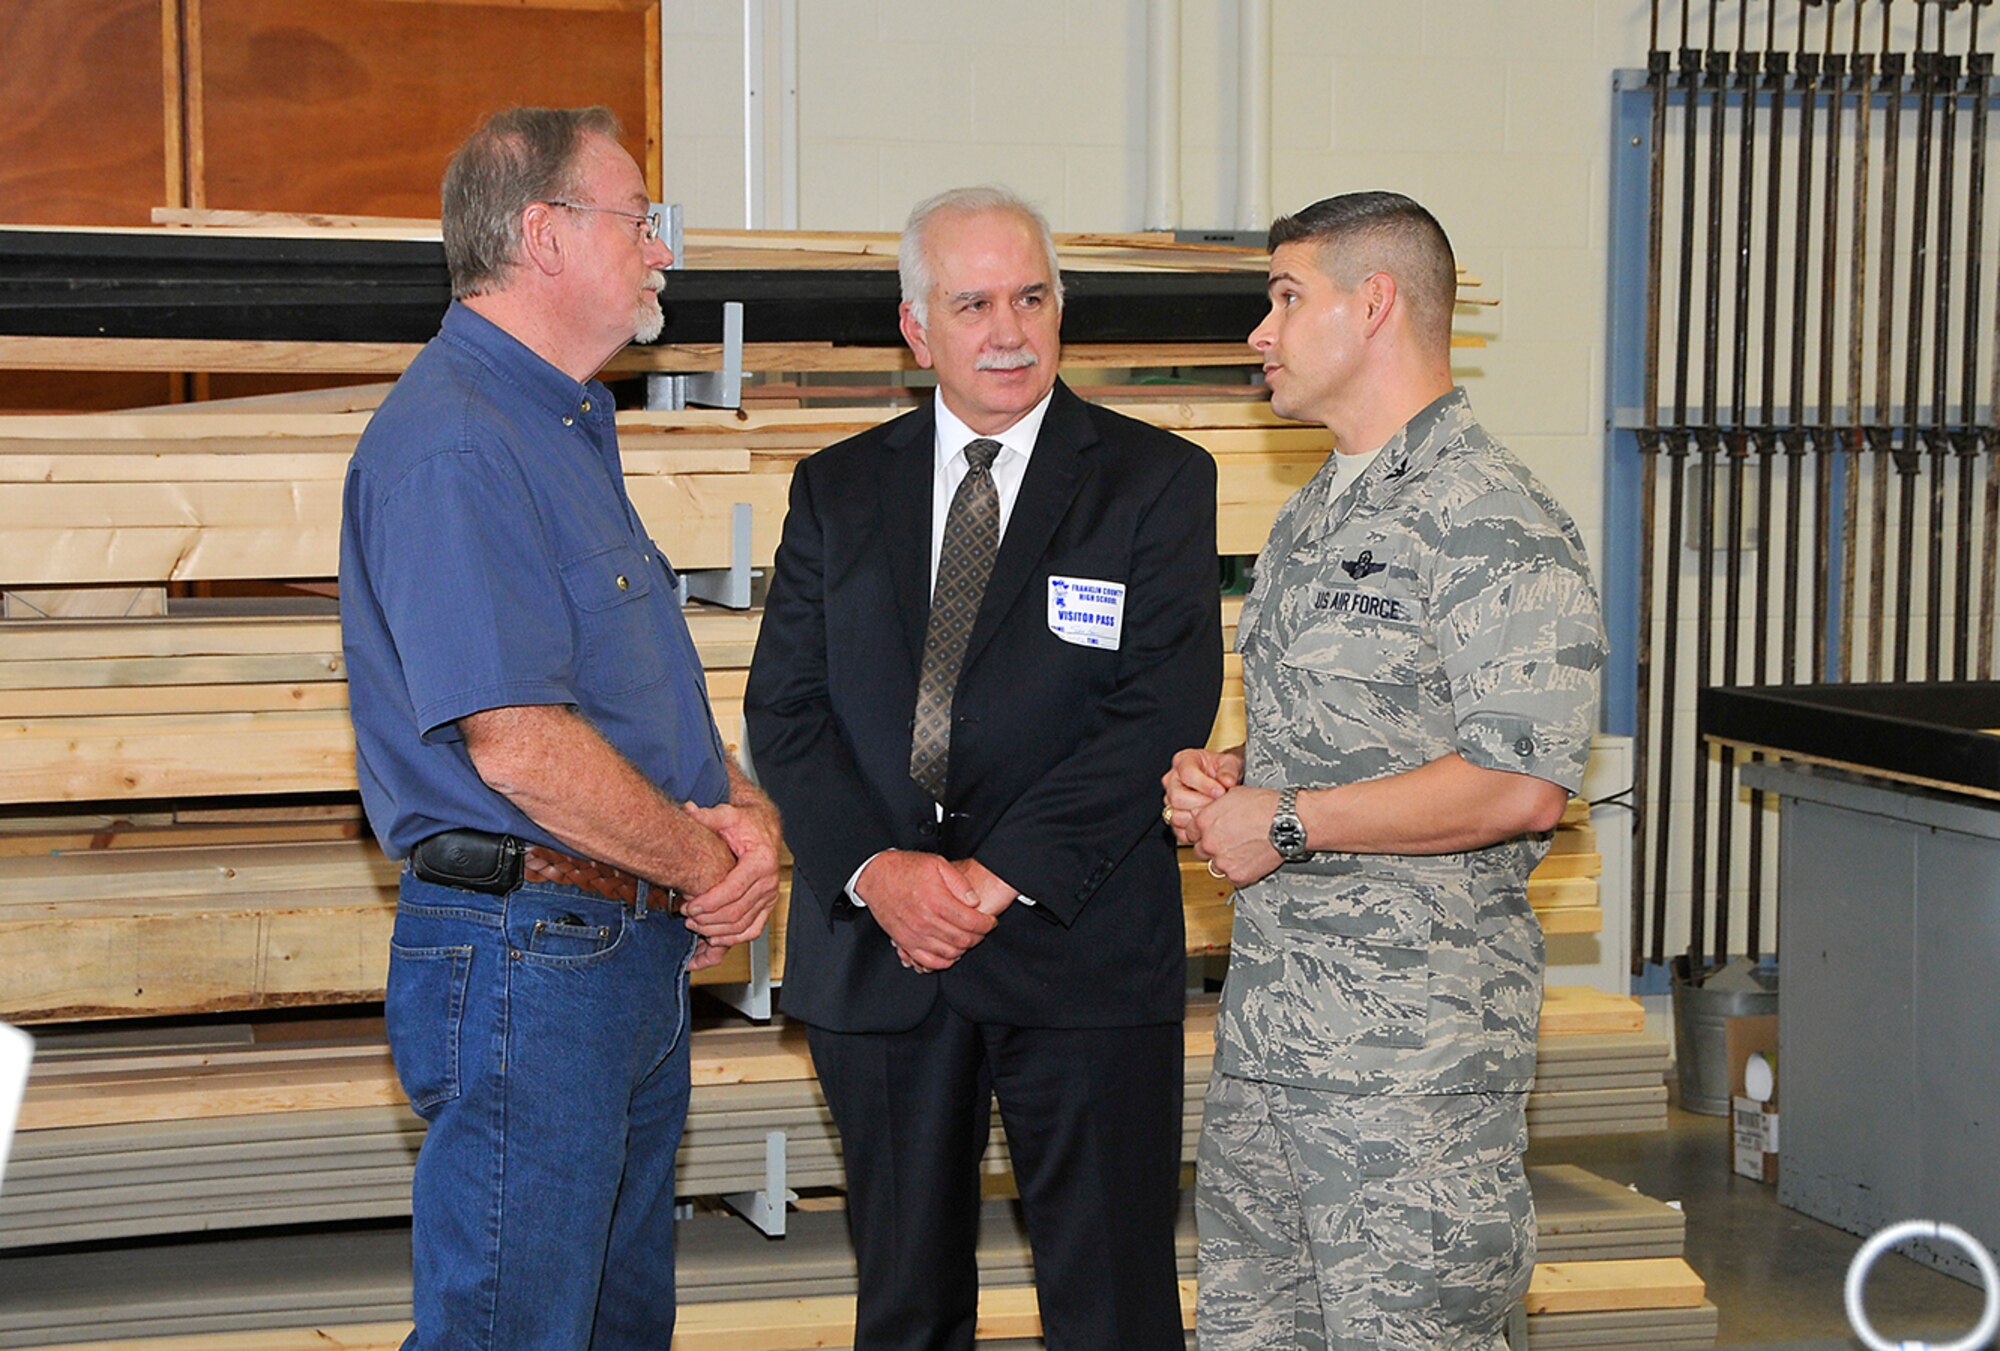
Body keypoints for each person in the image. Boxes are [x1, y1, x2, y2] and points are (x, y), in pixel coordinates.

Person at [744, 185, 1221, 1351]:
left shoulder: (1152, 480)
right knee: (904, 1306)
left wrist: (991, 877)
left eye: (1031, 296)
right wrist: (877, 871)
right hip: (880, 958)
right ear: (916, 328)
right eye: (972, 302)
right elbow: (787, 708)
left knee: (1110, 1305)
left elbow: (1156, 707)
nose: (1008, 329)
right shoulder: (837, 489)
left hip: (1079, 945)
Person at [338, 105, 781, 1351]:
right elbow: (519, 742)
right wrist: (711, 870)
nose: (661, 252)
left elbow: (625, 704)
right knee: (517, 1333)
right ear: (543, 236)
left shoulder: (562, 427)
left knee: (608, 1327)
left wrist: (741, 817)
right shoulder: (457, 443)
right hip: (532, 955)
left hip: (605, 949)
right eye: (638, 220)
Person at [1165, 191, 1605, 1350]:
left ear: (1372, 305)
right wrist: (1230, 779)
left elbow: (1520, 783)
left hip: (1409, 1075)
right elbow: (1356, 732)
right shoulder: (1314, 511)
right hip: (1275, 1046)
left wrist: (1290, 819)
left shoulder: (1490, 518)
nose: (1259, 331)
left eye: (1283, 297)